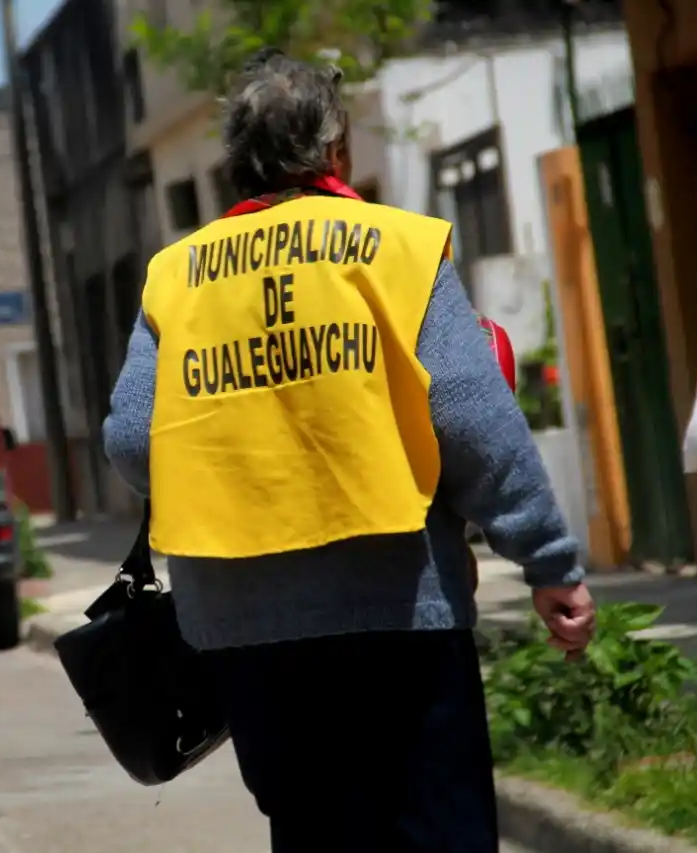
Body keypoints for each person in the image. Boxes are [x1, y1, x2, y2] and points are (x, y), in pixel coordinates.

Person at [102, 48, 595, 852]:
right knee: (437, 831)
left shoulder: (176, 275)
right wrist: (550, 564)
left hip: (242, 626)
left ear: (236, 160)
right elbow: (473, 420)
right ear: (336, 151)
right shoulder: (395, 249)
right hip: (396, 608)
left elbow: (130, 439)